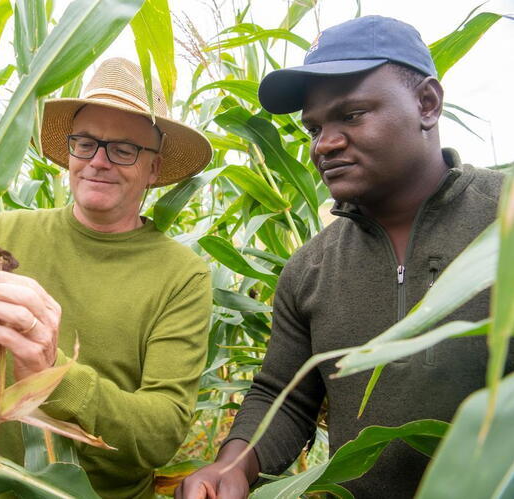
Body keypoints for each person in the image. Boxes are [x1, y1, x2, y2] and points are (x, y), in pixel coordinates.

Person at [177, 15, 513, 499]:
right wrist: (232, 465)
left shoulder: (506, 219)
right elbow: (284, 398)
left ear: (427, 104)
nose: (324, 144)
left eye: (352, 115)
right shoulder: (310, 269)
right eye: (314, 127)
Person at [0, 58, 213, 498]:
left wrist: (54, 373)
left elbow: (161, 432)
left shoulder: (182, 276)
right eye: (86, 143)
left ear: (154, 170)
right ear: (70, 151)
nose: (99, 161)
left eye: (123, 149)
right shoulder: (2, 234)